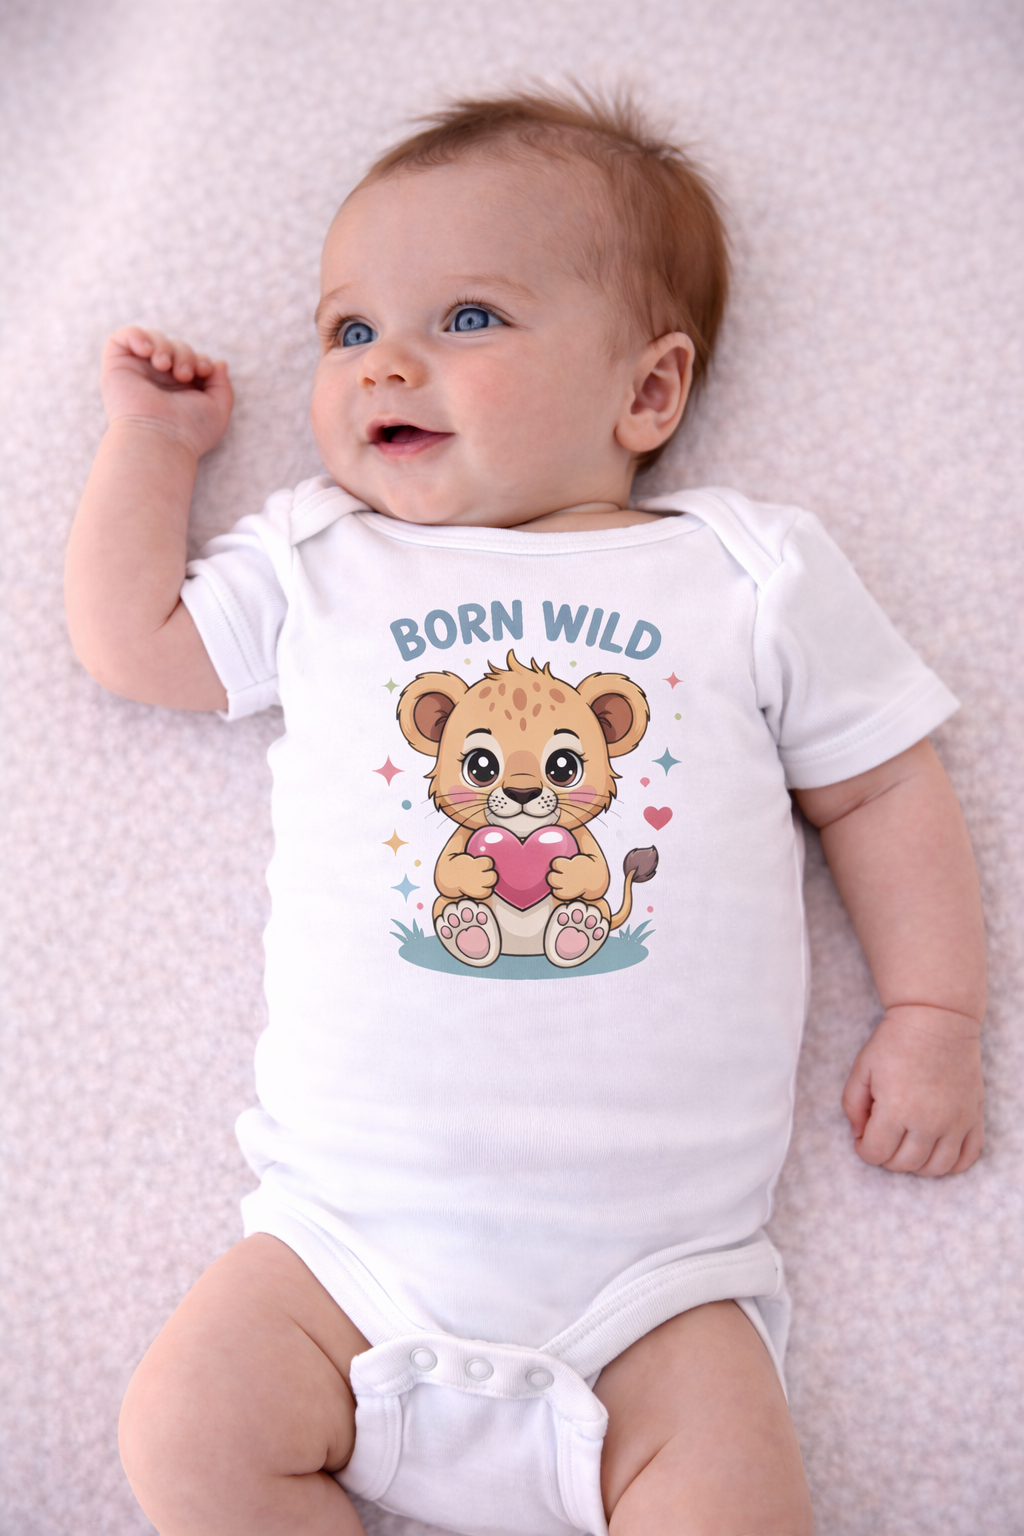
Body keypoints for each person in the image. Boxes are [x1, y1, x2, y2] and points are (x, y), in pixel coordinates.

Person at [65, 89, 986, 1536]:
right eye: (349, 331)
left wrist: (935, 1013)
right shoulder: (320, 558)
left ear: (648, 392)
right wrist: (156, 450)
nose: (387, 366)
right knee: (186, 1428)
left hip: (655, 1289)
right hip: (342, 1253)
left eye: (468, 319)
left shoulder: (747, 572)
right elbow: (136, 643)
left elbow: (877, 784)